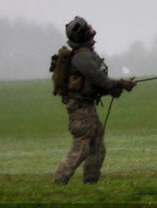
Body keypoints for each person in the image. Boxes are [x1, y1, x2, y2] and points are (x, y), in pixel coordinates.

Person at [53, 16, 135, 185]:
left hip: (87, 108)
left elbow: (96, 85)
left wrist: (115, 88)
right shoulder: (83, 58)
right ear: (82, 34)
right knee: (81, 148)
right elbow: (100, 79)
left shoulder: (85, 55)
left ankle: (90, 185)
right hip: (80, 110)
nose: (93, 31)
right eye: (89, 29)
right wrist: (120, 84)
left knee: (97, 146)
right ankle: (58, 184)